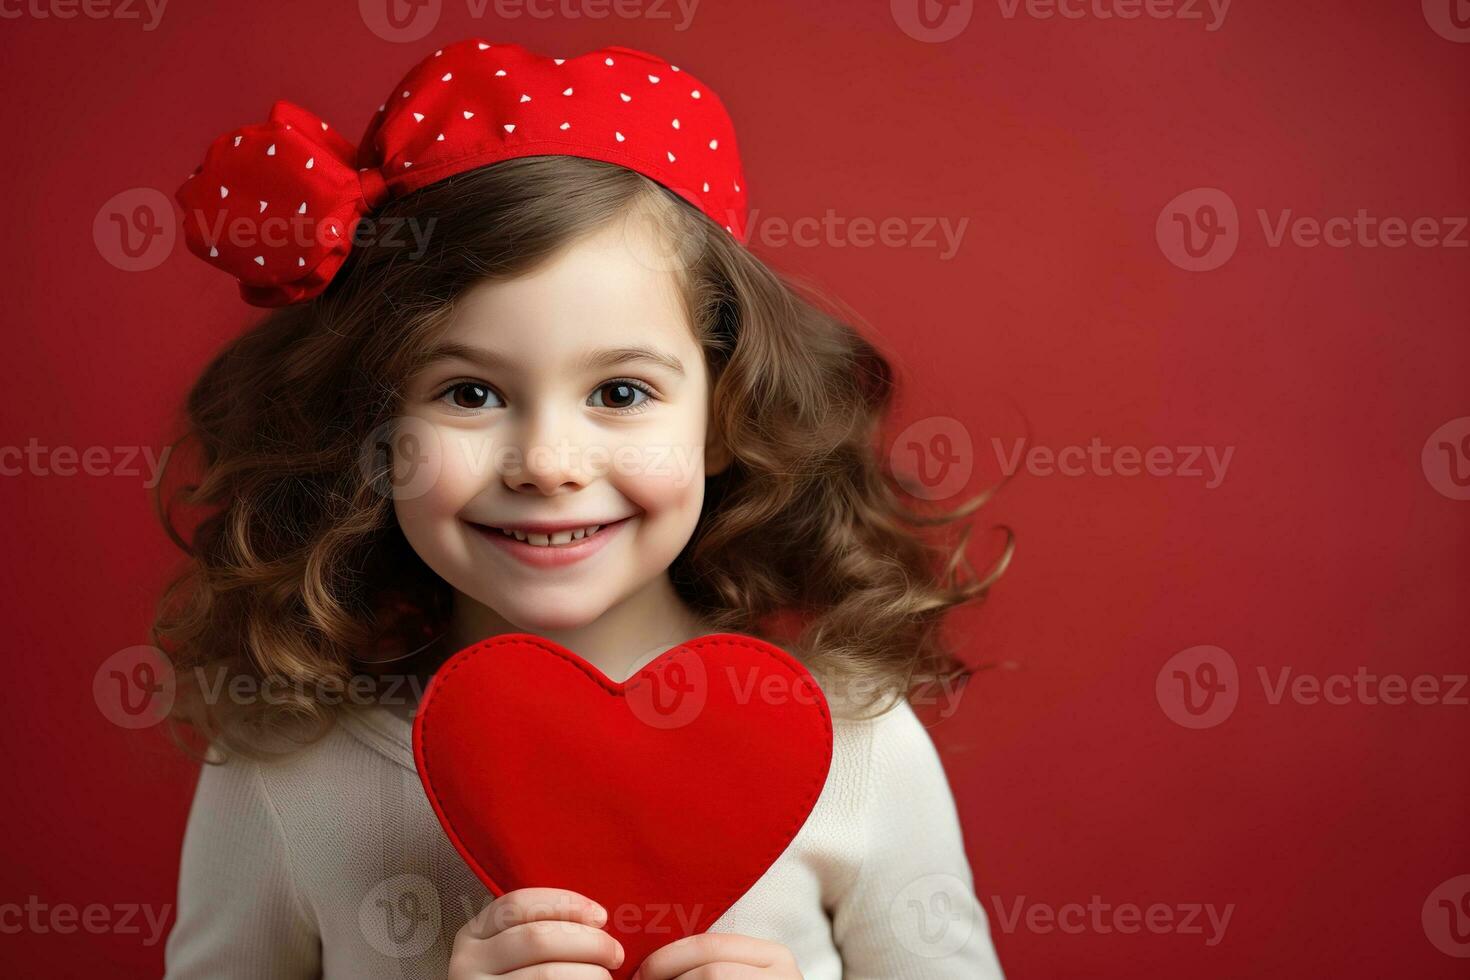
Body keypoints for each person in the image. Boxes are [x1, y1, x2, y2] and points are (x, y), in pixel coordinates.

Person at [157, 37, 1008, 979]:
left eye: (620, 393)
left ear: (723, 413)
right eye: (471, 394)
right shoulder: (288, 770)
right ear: (375, 425)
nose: (548, 465)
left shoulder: (858, 746)